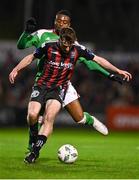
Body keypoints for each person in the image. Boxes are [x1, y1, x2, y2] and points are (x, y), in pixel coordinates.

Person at [9, 27, 132, 163]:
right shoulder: (48, 46)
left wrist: (117, 70)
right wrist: (16, 69)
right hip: (42, 85)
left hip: (59, 89)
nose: (67, 48)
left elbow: (98, 60)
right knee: (32, 115)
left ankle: (34, 152)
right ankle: (33, 139)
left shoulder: (77, 49)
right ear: (60, 39)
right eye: (65, 44)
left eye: (70, 45)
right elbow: (31, 57)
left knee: (49, 118)